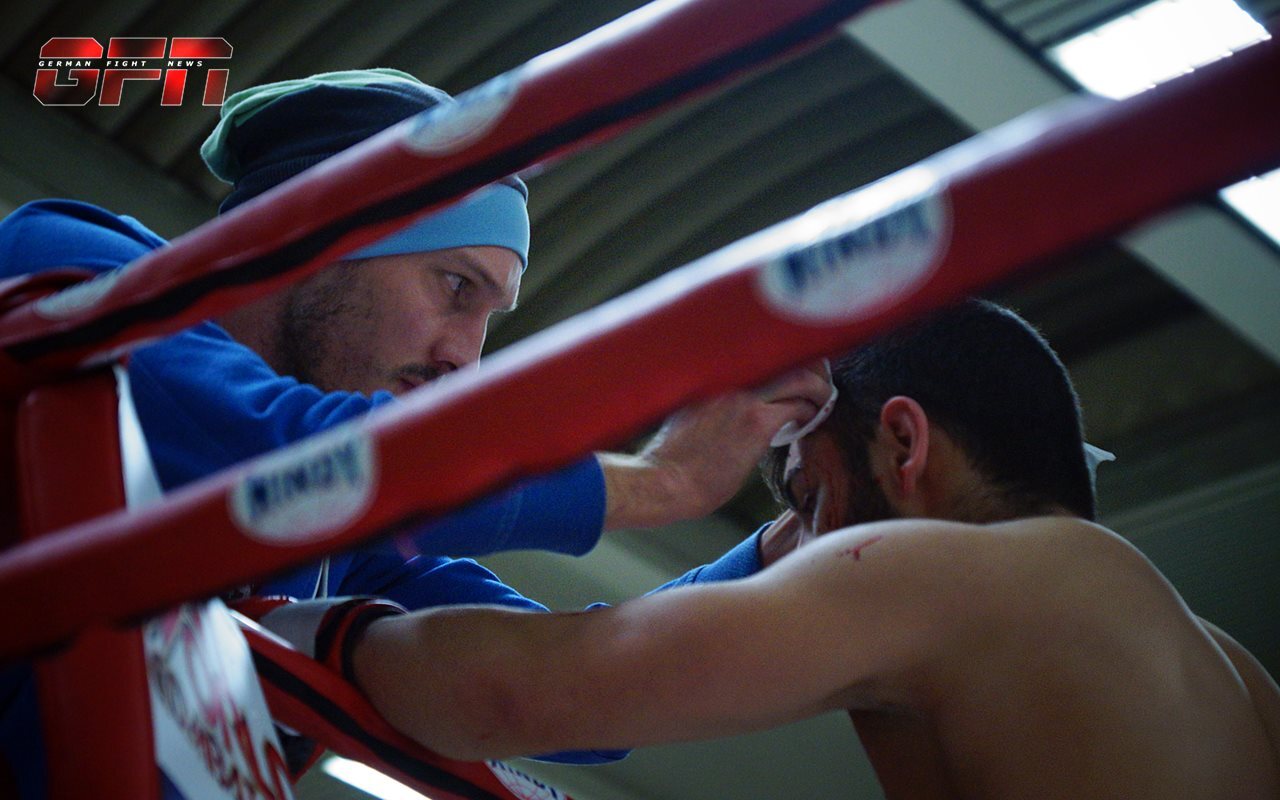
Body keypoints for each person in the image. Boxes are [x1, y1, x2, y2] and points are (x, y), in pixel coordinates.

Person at [0, 69, 831, 796]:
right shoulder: (71, 258)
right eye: (454, 287)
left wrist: (785, 547)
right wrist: (662, 483)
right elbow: (290, 448)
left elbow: (580, 692)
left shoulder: (340, 548)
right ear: (310, 236)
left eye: (487, 320)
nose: (461, 358)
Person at [328, 300, 1279, 798]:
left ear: (903, 444)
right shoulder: (1231, 674)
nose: (805, 549)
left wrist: (293, 615)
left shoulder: (949, 579)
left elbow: (505, 696)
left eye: (808, 497)